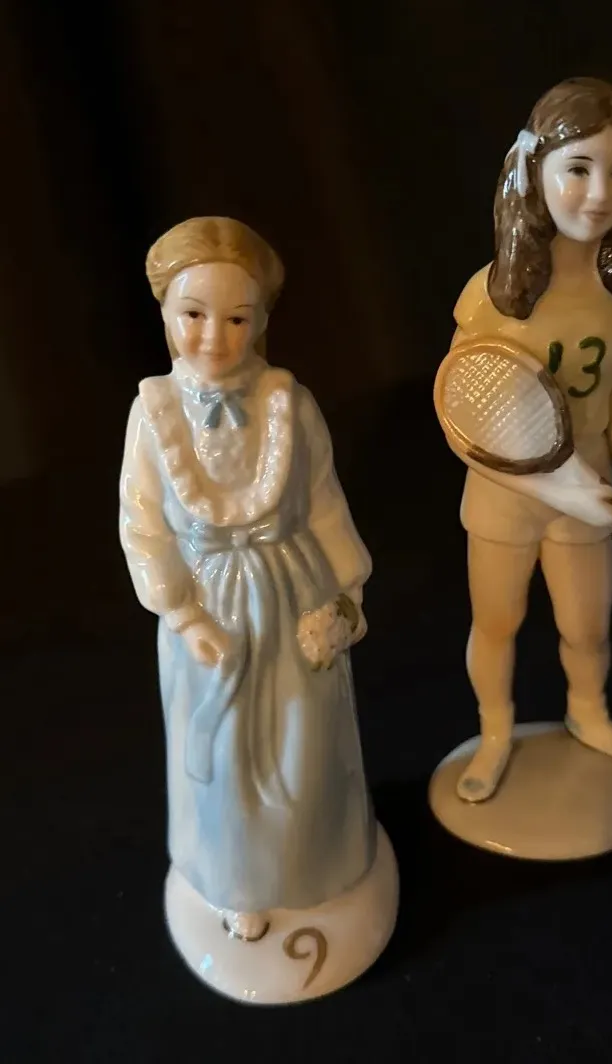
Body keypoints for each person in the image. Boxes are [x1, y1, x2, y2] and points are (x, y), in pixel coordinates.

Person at [119, 216, 376, 943]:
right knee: (230, 757)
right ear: (166, 313)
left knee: (304, 741)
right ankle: (240, 881)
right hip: (212, 609)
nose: (214, 337)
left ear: (262, 320)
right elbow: (143, 525)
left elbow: (324, 503)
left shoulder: (289, 403)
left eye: (236, 318)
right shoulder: (153, 412)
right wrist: (183, 613)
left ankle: (315, 863)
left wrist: (347, 593)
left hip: (294, 592)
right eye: (193, 315)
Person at [449, 78, 612, 803]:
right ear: (534, 169)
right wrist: (558, 485)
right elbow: (462, 420)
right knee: (498, 621)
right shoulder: (492, 294)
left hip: (592, 490)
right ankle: (494, 732)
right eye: (578, 168)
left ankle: (590, 713)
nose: (599, 192)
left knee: (586, 627)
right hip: (507, 498)